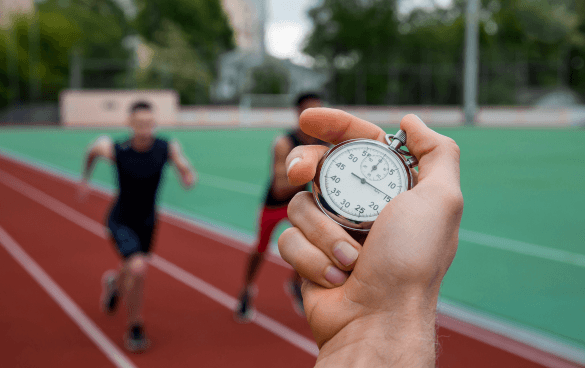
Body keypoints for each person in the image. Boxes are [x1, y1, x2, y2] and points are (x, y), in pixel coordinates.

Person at [278, 110, 464, 367]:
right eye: (360, 175)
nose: (364, 178)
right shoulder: (349, 158)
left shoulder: (408, 184)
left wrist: (386, 318)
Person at [78, 101, 197, 352]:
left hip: (148, 221)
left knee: (131, 267)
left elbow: (182, 162)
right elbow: (92, 150)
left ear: (154, 124)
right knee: (138, 268)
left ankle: (113, 285)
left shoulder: (165, 147)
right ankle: (135, 327)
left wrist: (187, 174)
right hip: (121, 218)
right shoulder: (116, 148)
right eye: (139, 123)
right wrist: (85, 180)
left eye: (149, 123)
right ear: (130, 124)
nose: (145, 127)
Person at [234, 93, 329, 322]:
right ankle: (247, 288)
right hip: (276, 203)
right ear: (298, 113)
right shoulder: (284, 142)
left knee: (312, 243)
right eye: (309, 110)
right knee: (261, 247)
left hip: (303, 203)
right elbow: (279, 186)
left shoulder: (323, 143)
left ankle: (295, 282)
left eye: (318, 110)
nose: (314, 115)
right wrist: (311, 171)